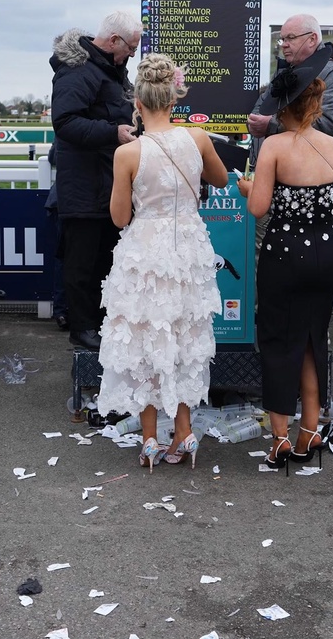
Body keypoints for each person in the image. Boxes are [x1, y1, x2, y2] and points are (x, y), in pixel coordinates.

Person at [96, 54, 228, 470]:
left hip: (145, 254)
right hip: (188, 250)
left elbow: (120, 218)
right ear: (174, 99)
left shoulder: (127, 153)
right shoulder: (198, 138)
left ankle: (150, 439)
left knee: (146, 342)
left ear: (137, 103)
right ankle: (184, 433)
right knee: (185, 337)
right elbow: (222, 179)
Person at [237, 61, 333, 474]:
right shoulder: (332, 145)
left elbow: (258, 207)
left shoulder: (275, 146)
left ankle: (280, 438)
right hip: (327, 251)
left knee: (279, 341)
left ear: (283, 106)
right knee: (313, 341)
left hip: (285, 252)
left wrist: (248, 188)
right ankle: (311, 431)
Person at [50, 11, 141, 351]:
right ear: (114, 40)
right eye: (131, 47)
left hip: (105, 185)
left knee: (104, 262)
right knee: (83, 265)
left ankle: (99, 325)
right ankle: (83, 328)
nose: (132, 54)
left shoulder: (109, 71)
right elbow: (65, 123)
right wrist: (113, 133)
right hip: (84, 188)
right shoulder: (78, 70)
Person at [248, 14, 333, 198]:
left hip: (321, 188)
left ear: (312, 39)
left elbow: (327, 123)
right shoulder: (284, 71)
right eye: (282, 39)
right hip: (281, 186)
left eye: (290, 38)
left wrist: (270, 125)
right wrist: (258, 123)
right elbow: (258, 111)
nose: (284, 44)